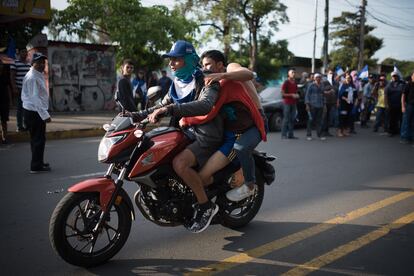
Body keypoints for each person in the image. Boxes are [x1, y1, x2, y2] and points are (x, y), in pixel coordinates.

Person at [144, 40, 222, 233]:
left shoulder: (207, 79)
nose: (171, 64)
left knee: (180, 163)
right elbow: (162, 104)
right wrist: (134, 115)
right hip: (186, 132)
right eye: (170, 60)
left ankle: (205, 206)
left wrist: (170, 109)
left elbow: (205, 104)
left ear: (189, 60)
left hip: (206, 134)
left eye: (176, 60)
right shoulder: (177, 83)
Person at [180, 50, 266, 202]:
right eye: (203, 65)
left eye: (208, 64)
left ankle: (249, 186)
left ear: (220, 65)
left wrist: (222, 75)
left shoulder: (229, 71)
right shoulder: (213, 84)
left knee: (239, 149)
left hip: (243, 131)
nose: (205, 68)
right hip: (226, 133)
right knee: (200, 174)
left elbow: (249, 74)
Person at [21, 52, 51, 173]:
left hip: (34, 111)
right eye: (39, 62)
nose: (42, 65)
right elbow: (35, 99)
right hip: (35, 112)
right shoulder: (32, 77)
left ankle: (38, 162)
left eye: (43, 62)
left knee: (37, 139)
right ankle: (36, 166)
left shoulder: (37, 74)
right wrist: (45, 115)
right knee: (38, 139)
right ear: (33, 63)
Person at [10, 47, 31, 132]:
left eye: (26, 52)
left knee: (28, 108)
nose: (25, 53)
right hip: (19, 89)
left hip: (28, 90)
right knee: (20, 109)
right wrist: (14, 88)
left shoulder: (29, 64)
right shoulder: (15, 63)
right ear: (19, 53)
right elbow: (12, 76)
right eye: (23, 52)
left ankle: (27, 125)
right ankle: (19, 126)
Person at [305, 73, 325, 140]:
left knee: (319, 120)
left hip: (320, 105)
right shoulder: (311, 85)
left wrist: (324, 104)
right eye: (317, 77)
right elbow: (307, 95)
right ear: (314, 78)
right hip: (312, 105)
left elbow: (323, 95)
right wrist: (307, 105)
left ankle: (319, 134)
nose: (318, 78)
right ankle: (309, 135)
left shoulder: (322, 85)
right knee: (310, 120)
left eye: (319, 77)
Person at [281, 68, 299, 139]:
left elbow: (296, 92)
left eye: (294, 72)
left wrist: (297, 95)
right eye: (292, 73)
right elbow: (282, 94)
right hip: (287, 103)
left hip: (293, 103)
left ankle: (291, 135)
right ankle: (283, 135)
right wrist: (291, 95)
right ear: (288, 74)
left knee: (292, 119)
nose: (293, 74)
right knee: (286, 119)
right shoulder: (286, 82)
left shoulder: (295, 82)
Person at [385, 71, 404, 137]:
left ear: (398, 76)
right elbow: (386, 95)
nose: (394, 77)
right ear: (391, 77)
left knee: (399, 118)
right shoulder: (389, 84)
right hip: (391, 104)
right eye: (393, 76)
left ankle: (397, 130)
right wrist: (386, 104)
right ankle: (391, 131)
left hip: (400, 104)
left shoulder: (402, 84)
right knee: (392, 119)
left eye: (395, 76)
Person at [400, 71, 414, 144]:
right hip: (409, 106)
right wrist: (403, 106)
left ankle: (410, 137)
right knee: (406, 122)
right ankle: (404, 137)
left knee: (412, 123)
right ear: (411, 76)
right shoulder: (408, 85)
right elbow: (403, 96)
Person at [0, 60, 11, 144]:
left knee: (4, 120)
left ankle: (5, 137)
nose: (1, 66)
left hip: (4, 100)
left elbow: (8, 88)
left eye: (1, 64)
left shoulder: (5, 75)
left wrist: (10, 100)